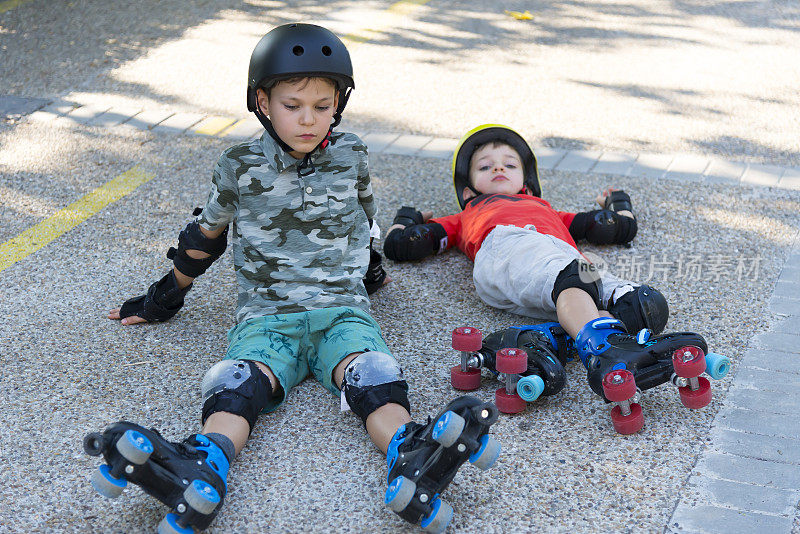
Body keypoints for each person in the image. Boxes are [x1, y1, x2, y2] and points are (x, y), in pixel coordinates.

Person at [83, 25, 500, 534]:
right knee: (236, 381)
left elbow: (362, 221)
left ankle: (408, 450)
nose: (309, 119)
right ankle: (203, 465)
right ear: (262, 101)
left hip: (340, 310)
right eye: (292, 104)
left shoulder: (352, 154)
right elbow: (206, 234)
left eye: (323, 106)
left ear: (339, 104)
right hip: (267, 314)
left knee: (371, 369)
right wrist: (164, 297)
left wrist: (369, 272)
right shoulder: (239, 164)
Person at [384, 124, 716, 418]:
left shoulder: (548, 210)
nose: (498, 166)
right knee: (574, 272)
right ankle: (604, 350)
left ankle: (538, 341)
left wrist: (619, 204)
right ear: (468, 191)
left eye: (509, 164)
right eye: (485, 166)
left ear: (527, 184)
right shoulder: (469, 213)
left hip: (563, 263)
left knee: (642, 303)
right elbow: (401, 246)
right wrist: (408, 219)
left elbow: (616, 229)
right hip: (507, 248)